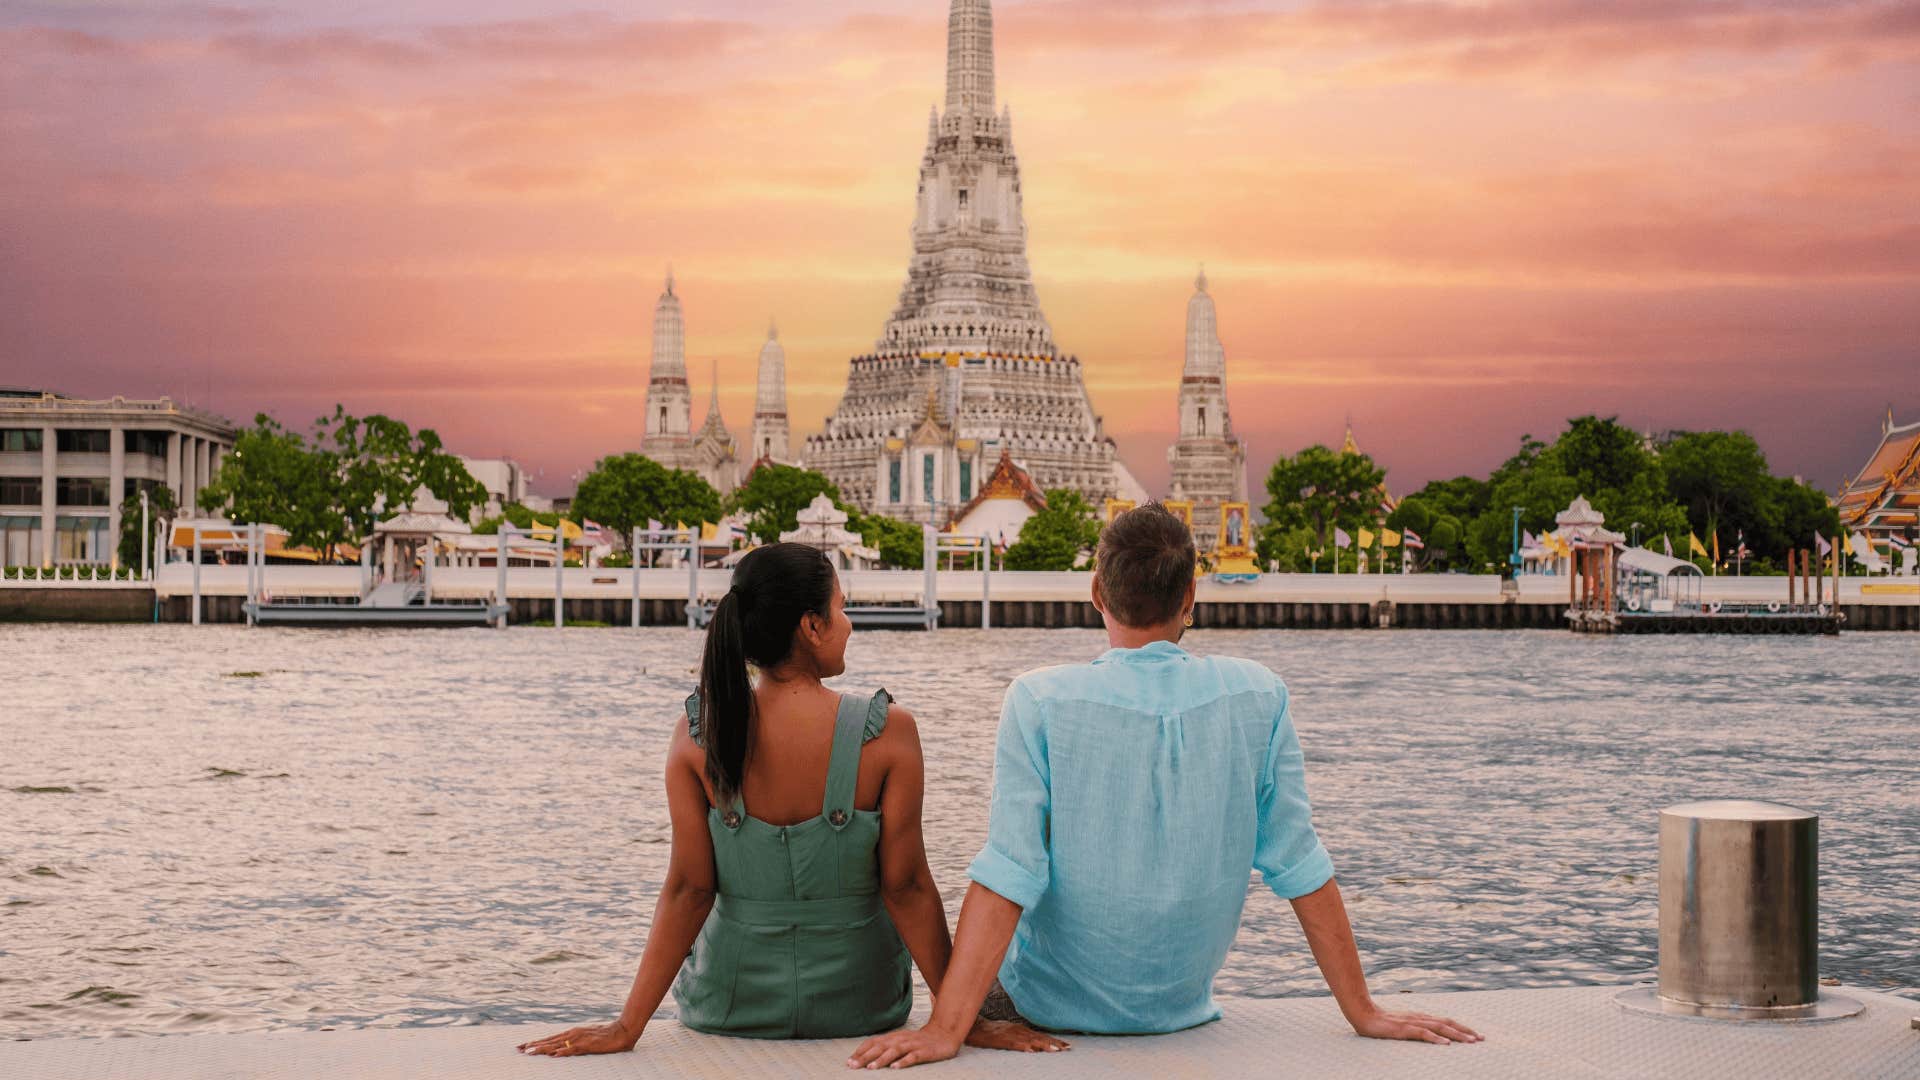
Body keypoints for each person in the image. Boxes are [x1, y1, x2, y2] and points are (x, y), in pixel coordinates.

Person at [848, 505, 1481, 1069]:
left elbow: (1010, 873)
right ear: (1190, 599)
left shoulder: (1040, 698)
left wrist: (946, 1029)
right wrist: (1363, 1011)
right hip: (1178, 1004)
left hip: (1047, 1005)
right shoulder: (1260, 694)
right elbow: (1300, 864)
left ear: (1096, 593)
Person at [519, 543, 1061, 1058]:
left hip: (728, 1007)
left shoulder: (697, 736)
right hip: (861, 1007)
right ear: (811, 625)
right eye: (842, 609)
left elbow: (689, 890)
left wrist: (626, 1026)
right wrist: (961, 1018)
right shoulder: (888, 733)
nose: (848, 626)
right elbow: (908, 887)